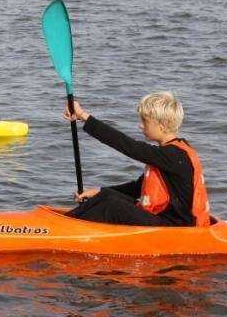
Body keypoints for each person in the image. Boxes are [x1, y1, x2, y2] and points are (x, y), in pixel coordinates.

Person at [63, 91, 211, 227]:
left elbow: (127, 145)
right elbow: (137, 188)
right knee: (107, 196)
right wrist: (100, 191)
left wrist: (84, 116)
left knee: (113, 207)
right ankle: (64, 222)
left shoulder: (174, 155)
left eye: (145, 121)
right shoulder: (169, 153)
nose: (140, 126)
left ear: (162, 126)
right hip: (164, 218)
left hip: (177, 228)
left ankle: (65, 229)